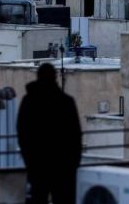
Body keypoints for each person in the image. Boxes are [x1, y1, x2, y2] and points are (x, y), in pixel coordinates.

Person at [16, 63, 82, 204]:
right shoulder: (66, 102)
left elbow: (22, 133)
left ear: (38, 76)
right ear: (55, 77)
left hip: (37, 165)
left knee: (38, 198)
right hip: (63, 166)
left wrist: (29, 160)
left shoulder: (29, 102)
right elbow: (75, 136)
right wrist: (73, 163)